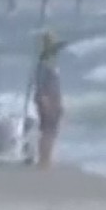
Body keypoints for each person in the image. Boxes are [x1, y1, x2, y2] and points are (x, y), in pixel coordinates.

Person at [32, 32, 65, 168]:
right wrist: (44, 100)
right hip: (47, 99)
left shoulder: (50, 63)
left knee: (51, 130)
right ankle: (44, 159)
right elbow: (40, 84)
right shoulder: (44, 64)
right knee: (48, 130)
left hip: (54, 98)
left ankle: (46, 157)